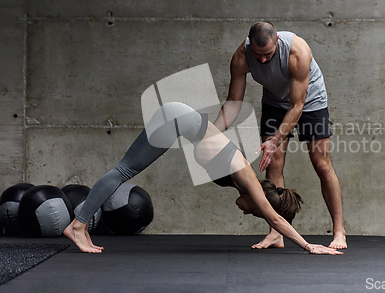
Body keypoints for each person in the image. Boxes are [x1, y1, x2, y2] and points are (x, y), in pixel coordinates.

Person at [63, 102, 342, 255]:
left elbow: (272, 215)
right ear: (257, 202)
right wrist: (308, 246)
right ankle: (78, 225)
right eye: (252, 211)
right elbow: (275, 218)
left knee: (125, 170)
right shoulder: (248, 180)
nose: (245, 212)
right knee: (124, 171)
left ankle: (81, 224)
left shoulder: (243, 180)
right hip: (176, 119)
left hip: (178, 119)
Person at [213, 22, 347, 250]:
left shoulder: (298, 52)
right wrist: (212, 133)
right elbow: (233, 104)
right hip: (275, 102)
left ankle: (339, 231)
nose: (262, 61)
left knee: (322, 165)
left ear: (277, 42)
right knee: (272, 164)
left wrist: (275, 141)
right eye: (258, 55)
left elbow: (297, 106)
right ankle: (276, 233)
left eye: (267, 54)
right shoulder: (241, 57)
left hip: (310, 101)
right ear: (249, 42)